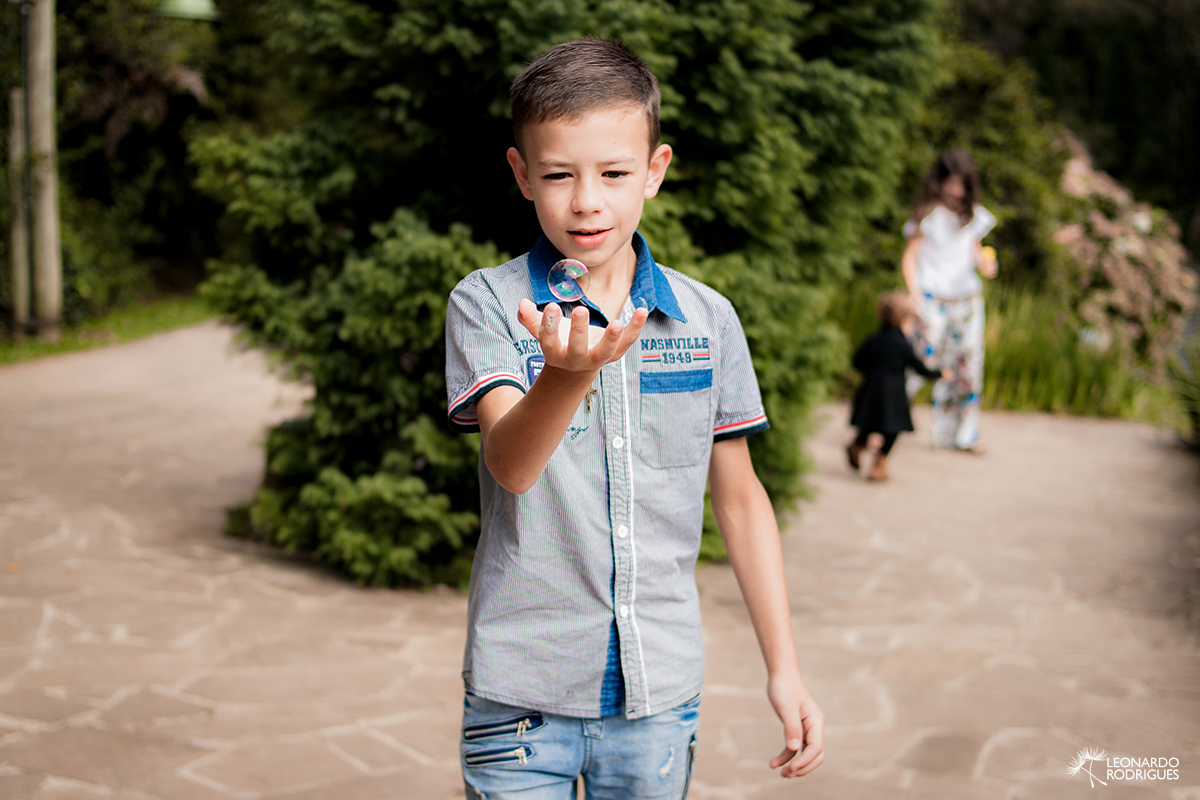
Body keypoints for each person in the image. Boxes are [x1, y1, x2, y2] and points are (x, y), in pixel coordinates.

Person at [444, 37, 824, 798]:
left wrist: (784, 669)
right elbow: (511, 466)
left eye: (614, 173)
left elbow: (742, 502)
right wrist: (564, 376)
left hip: (659, 697)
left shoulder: (707, 320)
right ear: (522, 174)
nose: (587, 200)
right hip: (522, 698)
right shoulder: (487, 304)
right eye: (558, 175)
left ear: (654, 171)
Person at [900, 149, 998, 453]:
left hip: (966, 299)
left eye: (962, 184)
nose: (956, 191)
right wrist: (914, 296)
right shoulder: (927, 214)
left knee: (968, 367)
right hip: (932, 297)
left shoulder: (972, 215)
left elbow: (974, 250)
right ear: (939, 182)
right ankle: (891, 420)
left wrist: (985, 264)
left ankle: (960, 434)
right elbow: (909, 257)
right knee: (921, 360)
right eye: (951, 183)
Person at [847, 292, 951, 482]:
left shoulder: (873, 339)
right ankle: (879, 465)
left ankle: (857, 444)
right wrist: (940, 373)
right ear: (904, 320)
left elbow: (857, 361)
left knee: (869, 425)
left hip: (870, 391)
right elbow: (919, 368)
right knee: (891, 430)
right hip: (892, 396)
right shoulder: (902, 344)